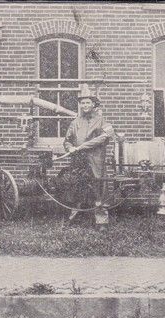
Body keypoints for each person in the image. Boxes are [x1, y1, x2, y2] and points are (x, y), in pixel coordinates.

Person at [62, 84, 115, 226]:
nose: (85, 105)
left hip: (96, 160)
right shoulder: (75, 122)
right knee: (77, 186)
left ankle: (101, 220)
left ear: (93, 104)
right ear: (80, 105)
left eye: (88, 102)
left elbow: (107, 136)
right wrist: (71, 148)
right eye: (83, 103)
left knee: (98, 187)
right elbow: (67, 141)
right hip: (78, 160)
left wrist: (85, 146)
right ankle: (74, 217)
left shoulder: (101, 120)